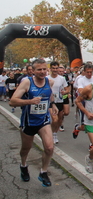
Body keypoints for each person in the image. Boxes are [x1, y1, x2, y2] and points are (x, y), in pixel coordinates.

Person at [9, 58, 58, 187]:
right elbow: (12, 101)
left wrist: (52, 105)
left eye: (44, 69)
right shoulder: (27, 83)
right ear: (33, 71)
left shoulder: (50, 82)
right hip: (29, 121)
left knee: (49, 147)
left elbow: (49, 95)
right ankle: (23, 165)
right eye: (39, 69)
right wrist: (29, 102)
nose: (42, 72)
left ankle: (43, 172)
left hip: (43, 120)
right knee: (26, 149)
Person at [47, 61, 69, 145]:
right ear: (51, 69)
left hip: (60, 101)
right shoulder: (47, 78)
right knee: (55, 119)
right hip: (51, 102)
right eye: (53, 68)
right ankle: (52, 134)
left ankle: (55, 133)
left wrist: (65, 92)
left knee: (59, 120)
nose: (55, 70)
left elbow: (67, 89)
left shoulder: (61, 78)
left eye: (56, 68)